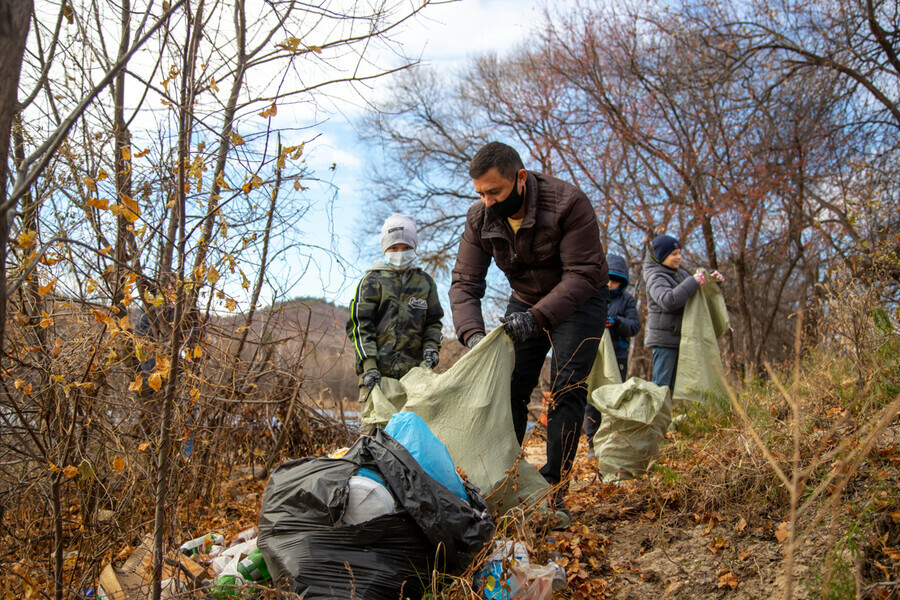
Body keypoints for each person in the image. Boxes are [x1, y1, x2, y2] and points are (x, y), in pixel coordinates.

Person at [449, 141, 609, 509]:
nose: (487, 201)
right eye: (480, 193)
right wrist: (473, 335)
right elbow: (464, 283)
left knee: (567, 387)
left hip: (582, 297)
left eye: (495, 191)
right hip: (525, 298)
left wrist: (535, 319)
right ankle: (502, 477)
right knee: (508, 387)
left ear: (520, 178)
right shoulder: (480, 218)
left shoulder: (569, 204)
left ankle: (553, 490)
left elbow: (583, 274)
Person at [346, 214, 444, 435]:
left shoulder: (425, 283)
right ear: (385, 249)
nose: (400, 253)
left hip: (413, 379)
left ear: (414, 247)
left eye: (405, 247)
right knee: (373, 435)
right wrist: (369, 366)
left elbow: (434, 322)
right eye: (394, 248)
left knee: (411, 438)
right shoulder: (370, 281)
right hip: (377, 376)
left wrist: (431, 347)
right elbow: (360, 326)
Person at [643, 234, 724, 393]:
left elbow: (693, 293)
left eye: (680, 253)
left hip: (679, 339)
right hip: (664, 341)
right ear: (662, 256)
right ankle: (655, 418)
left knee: (672, 388)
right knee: (660, 386)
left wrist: (710, 280)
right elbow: (668, 301)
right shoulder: (656, 277)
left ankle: (665, 418)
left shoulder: (679, 274)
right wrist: (694, 281)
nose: (678, 257)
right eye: (674, 254)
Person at [584, 253, 640, 455]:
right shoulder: (592, 297)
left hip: (618, 357)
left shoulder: (627, 301)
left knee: (614, 401)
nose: (610, 284)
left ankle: (611, 443)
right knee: (593, 401)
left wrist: (616, 321)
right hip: (594, 357)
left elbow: (634, 326)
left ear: (621, 282)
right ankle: (592, 444)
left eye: (615, 281)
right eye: (607, 279)